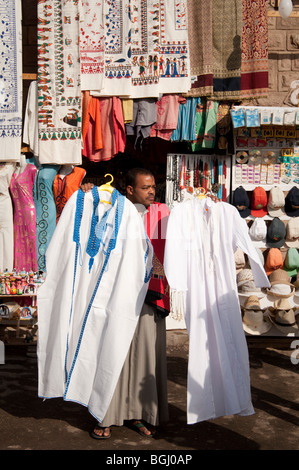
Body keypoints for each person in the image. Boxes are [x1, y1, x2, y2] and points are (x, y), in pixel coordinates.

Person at [81, 168, 169, 439]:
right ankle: (105, 413)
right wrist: (88, 200)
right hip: (117, 296)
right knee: (111, 354)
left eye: (153, 186)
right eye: (145, 187)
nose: (151, 191)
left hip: (149, 295)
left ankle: (138, 414)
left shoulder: (163, 215)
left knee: (144, 357)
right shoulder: (111, 213)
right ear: (129, 190)